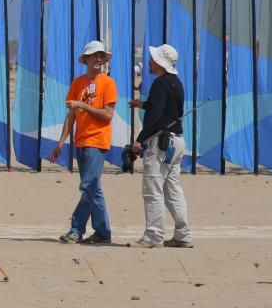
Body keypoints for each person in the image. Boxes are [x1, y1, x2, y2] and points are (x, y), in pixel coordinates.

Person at [50, 40, 118, 244]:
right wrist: (61, 143)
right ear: (86, 59)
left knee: (88, 186)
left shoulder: (108, 83)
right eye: (95, 56)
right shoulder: (77, 83)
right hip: (80, 142)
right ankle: (103, 232)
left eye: (101, 56)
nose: (99, 59)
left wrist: (82, 105)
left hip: (97, 141)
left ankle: (77, 228)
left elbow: (107, 115)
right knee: (93, 188)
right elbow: (71, 116)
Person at [128, 44, 192, 249]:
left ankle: (153, 236)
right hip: (178, 141)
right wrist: (143, 104)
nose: (149, 61)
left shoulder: (159, 83)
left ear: (159, 63)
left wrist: (139, 140)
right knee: (173, 189)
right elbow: (164, 108)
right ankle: (183, 235)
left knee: (152, 190)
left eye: (152, 58)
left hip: (162, 142)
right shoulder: (176, 83)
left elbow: (155, 117)